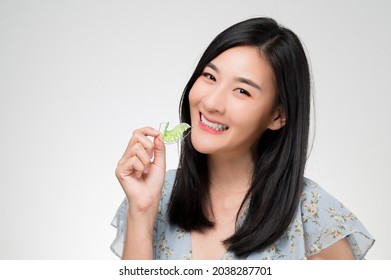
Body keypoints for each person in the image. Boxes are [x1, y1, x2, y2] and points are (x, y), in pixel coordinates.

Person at [110, 17, 374, 260]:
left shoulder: (313, 216)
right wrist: (142, 212)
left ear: (277, 115)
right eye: (210, 76)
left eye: (241, 91)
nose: (212, 102)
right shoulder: (157, 196)